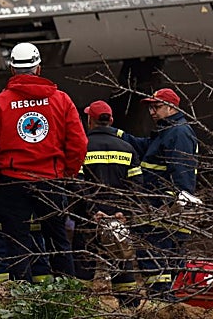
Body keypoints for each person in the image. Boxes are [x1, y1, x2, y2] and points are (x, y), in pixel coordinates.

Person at [0, 42, 87, 282]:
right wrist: (67, 172)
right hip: (51, 181)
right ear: (39, 68)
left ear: (12, 70)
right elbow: (79, 143)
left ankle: (23, 299)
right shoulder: (61, 100)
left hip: (12, 183)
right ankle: (68, 296)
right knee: (58, 241)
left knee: (17, 243)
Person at [120, 87, 198, 301]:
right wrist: (116, 135)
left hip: (163, 213)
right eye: (150, 107)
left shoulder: (178, 133)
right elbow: (146, 147)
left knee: (156, 263)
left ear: (172, 107)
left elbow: (182, 171)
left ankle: (162, 304)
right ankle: (167, 303)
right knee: (165, 265)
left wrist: (175, 204)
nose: (152, 111)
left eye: (157, 106)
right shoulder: (167, 131)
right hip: (160, 213)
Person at [72, 100, 141, 308]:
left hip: (90, 218)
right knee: (121, 262)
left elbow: (77, 186)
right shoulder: (128, 148)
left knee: (83, 265)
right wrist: (124, 213)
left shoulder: (82, 148)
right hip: (117, 219)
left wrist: (91, 211)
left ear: (89, 121)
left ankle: (78, 306)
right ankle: (129, 307)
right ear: (111, 120)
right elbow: (137, 186)